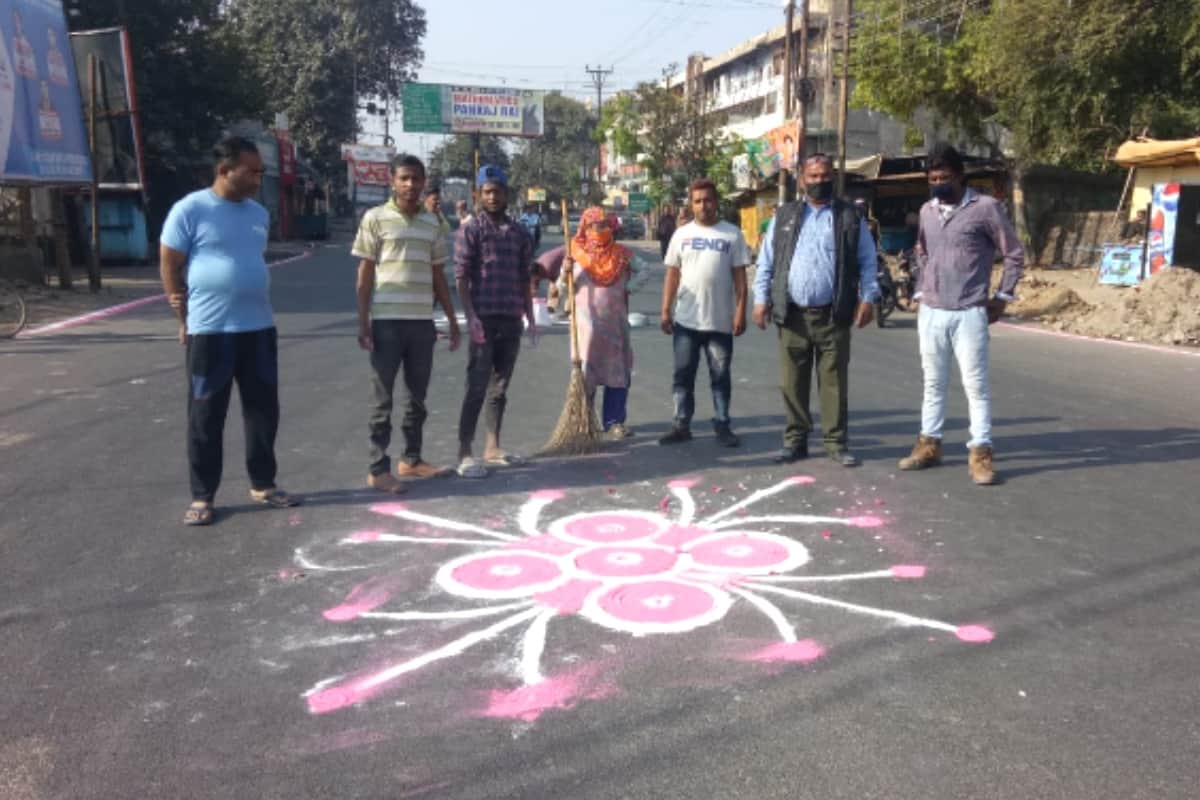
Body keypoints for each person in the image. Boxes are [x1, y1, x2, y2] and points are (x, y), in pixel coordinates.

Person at [159, 136, 298, 526]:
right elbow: (169, 260)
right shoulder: (190, 209)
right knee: (206, 416)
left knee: (263, 412)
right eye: (252, 171)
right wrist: (180, 313)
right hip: (211, 331)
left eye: (260, 171)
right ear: (225, 170)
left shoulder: (258, 213)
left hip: (258, 328)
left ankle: (263, 483)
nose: (258, 178)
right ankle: (203, 496)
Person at [898, 143, 1024, 485]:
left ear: (960, 176)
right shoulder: (927, 210)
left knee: (975, 386)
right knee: (933, 383)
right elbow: (921, 250)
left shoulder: (986, 208)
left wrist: (1002, 296)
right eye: (933, 178)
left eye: (945, 177)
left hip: (970, 311)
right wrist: (922, 289)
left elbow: (1013, 254)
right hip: (932, 311)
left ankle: (981, 454)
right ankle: (929, 445)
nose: (939, 183)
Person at [753, 153, 880, 467]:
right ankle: (794, 442)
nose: (819, 182)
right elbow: (766, 262)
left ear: (833, 178)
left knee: (834, 382)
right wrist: (760, 299)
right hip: (792, 314)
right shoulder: (784, 216)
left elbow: (867, 261)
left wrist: (869, 298)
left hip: (833, 314)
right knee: (791, 382)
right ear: (802, 179)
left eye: (825, 176)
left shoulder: (850, 217)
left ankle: (836, 443)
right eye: (813, 176)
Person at [352, 154, 462, 494]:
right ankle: (377, 468)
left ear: (424, 181)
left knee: (417, 397)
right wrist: (363, 321)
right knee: (382, 399)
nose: (410, 185)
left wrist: (453, 321)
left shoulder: (432, 223)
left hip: (421, 324)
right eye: (404, 179)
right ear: (393, 181)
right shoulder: (375, 218)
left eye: (416, 179)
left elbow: (438, 275)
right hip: (386, 321)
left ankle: (411, 460)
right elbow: (365, 273)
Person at [454, 164, 538, 477]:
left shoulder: (519, 234)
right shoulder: (471, 230)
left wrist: (530, 317)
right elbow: (461, 277)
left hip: (511, 318)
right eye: (487, 191)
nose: (492, 197)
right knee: (476, 386)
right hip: (483, 318)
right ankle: (465, 451)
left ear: (507, 194)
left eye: (498, 191)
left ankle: (493, 447)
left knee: (500, 388)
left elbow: (523, 277)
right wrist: (470, 316)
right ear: (478, 194)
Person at [660, 178, 751, 448]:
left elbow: (740, 279)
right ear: (691, 204)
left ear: (716, 202)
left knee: (720, 377)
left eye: (708, 200)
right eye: (697, 201)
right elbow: (672, 275)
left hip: (720, 322)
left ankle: (722, 424)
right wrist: (665, 310)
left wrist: (740, 311)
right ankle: (681, 424)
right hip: (686, 321)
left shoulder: (732, 234)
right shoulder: (681, 234)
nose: (703, 206)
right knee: (683, 375)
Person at [563, 208, 645, 438]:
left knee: (617, 372)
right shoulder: (575, 254)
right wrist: (564, 275)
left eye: (604, 225)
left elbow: (644, 271)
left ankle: (614, 421)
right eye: (593, 226)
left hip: (615, 327)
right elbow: (561, 288)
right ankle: (584, 420)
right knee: (585, 375)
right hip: (585, 329)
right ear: (585, 228)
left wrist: (629, 288)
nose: (599, 230)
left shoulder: (622, 254)